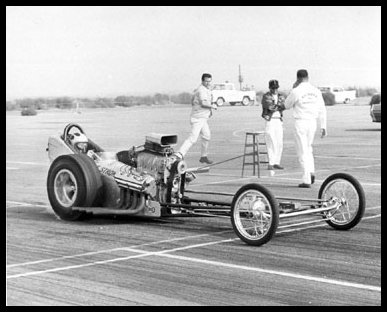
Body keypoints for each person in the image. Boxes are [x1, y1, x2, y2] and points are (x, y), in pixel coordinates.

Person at [283, 69, 327, 188]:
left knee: (302, 151)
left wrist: (293, 89)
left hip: (301, 122)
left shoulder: (296, 90)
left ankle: (306, 179)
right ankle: (311, 171)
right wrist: (323, 126)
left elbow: (286, 105)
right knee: (308, 148)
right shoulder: (316, 91)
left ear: (298, 78)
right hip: (312, 122)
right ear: (308, 77)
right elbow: (322, 109)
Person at [177, 73, 218, 164]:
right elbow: (204, 103)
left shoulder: (205, 89)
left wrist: (208, 112)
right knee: (193, 138)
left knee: (206, 136)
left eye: (209, 81)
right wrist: (212, 106)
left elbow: (194, 101)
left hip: (202, 118)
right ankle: (179, 154)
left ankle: (203, 156)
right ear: (202, 81)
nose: (208, 83)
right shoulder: (201, 90)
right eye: (206, 81)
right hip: (198, 119)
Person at [261, 79, 285, 170]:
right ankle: (270, 163)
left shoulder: (281, 96)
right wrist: (280, 106)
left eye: (276, 88)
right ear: (269, 88)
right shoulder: (266, 96)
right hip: (270, 121)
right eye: (273, 88)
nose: (275, 90)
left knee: (279, 142)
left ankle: (276, 162)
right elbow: (271, 107)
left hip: (278, 120)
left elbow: (283, 106)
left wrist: (279, 106)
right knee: (271, 141)